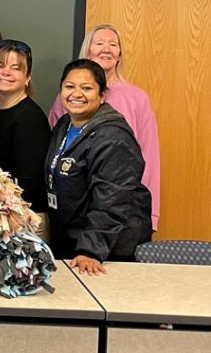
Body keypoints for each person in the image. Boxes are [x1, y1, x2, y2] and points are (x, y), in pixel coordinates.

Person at [48, 24, 161, 230]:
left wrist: (151, 214)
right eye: (99, 43)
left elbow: (149, 156)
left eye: (113, 44)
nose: (106, 49)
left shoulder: (137, 98)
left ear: (120, 55)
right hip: (71, 216)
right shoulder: (68, 98)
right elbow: (53, 153)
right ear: (87, 51)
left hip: (120, 213)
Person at [47, 59, 152, 274]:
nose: (76, 94)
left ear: (102, 95)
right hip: (76, 241)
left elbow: (112, 200)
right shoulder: (65, 124)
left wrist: (91, 250)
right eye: (69, 86)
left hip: (107, 249)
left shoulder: (113, 138)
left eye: (86, 88)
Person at [0, 39, 50, 234]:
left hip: (25, 219)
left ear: (27, 77)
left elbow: (28, 182)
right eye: (0, 65)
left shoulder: (30, 118)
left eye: (15, 68)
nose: (6, 72)